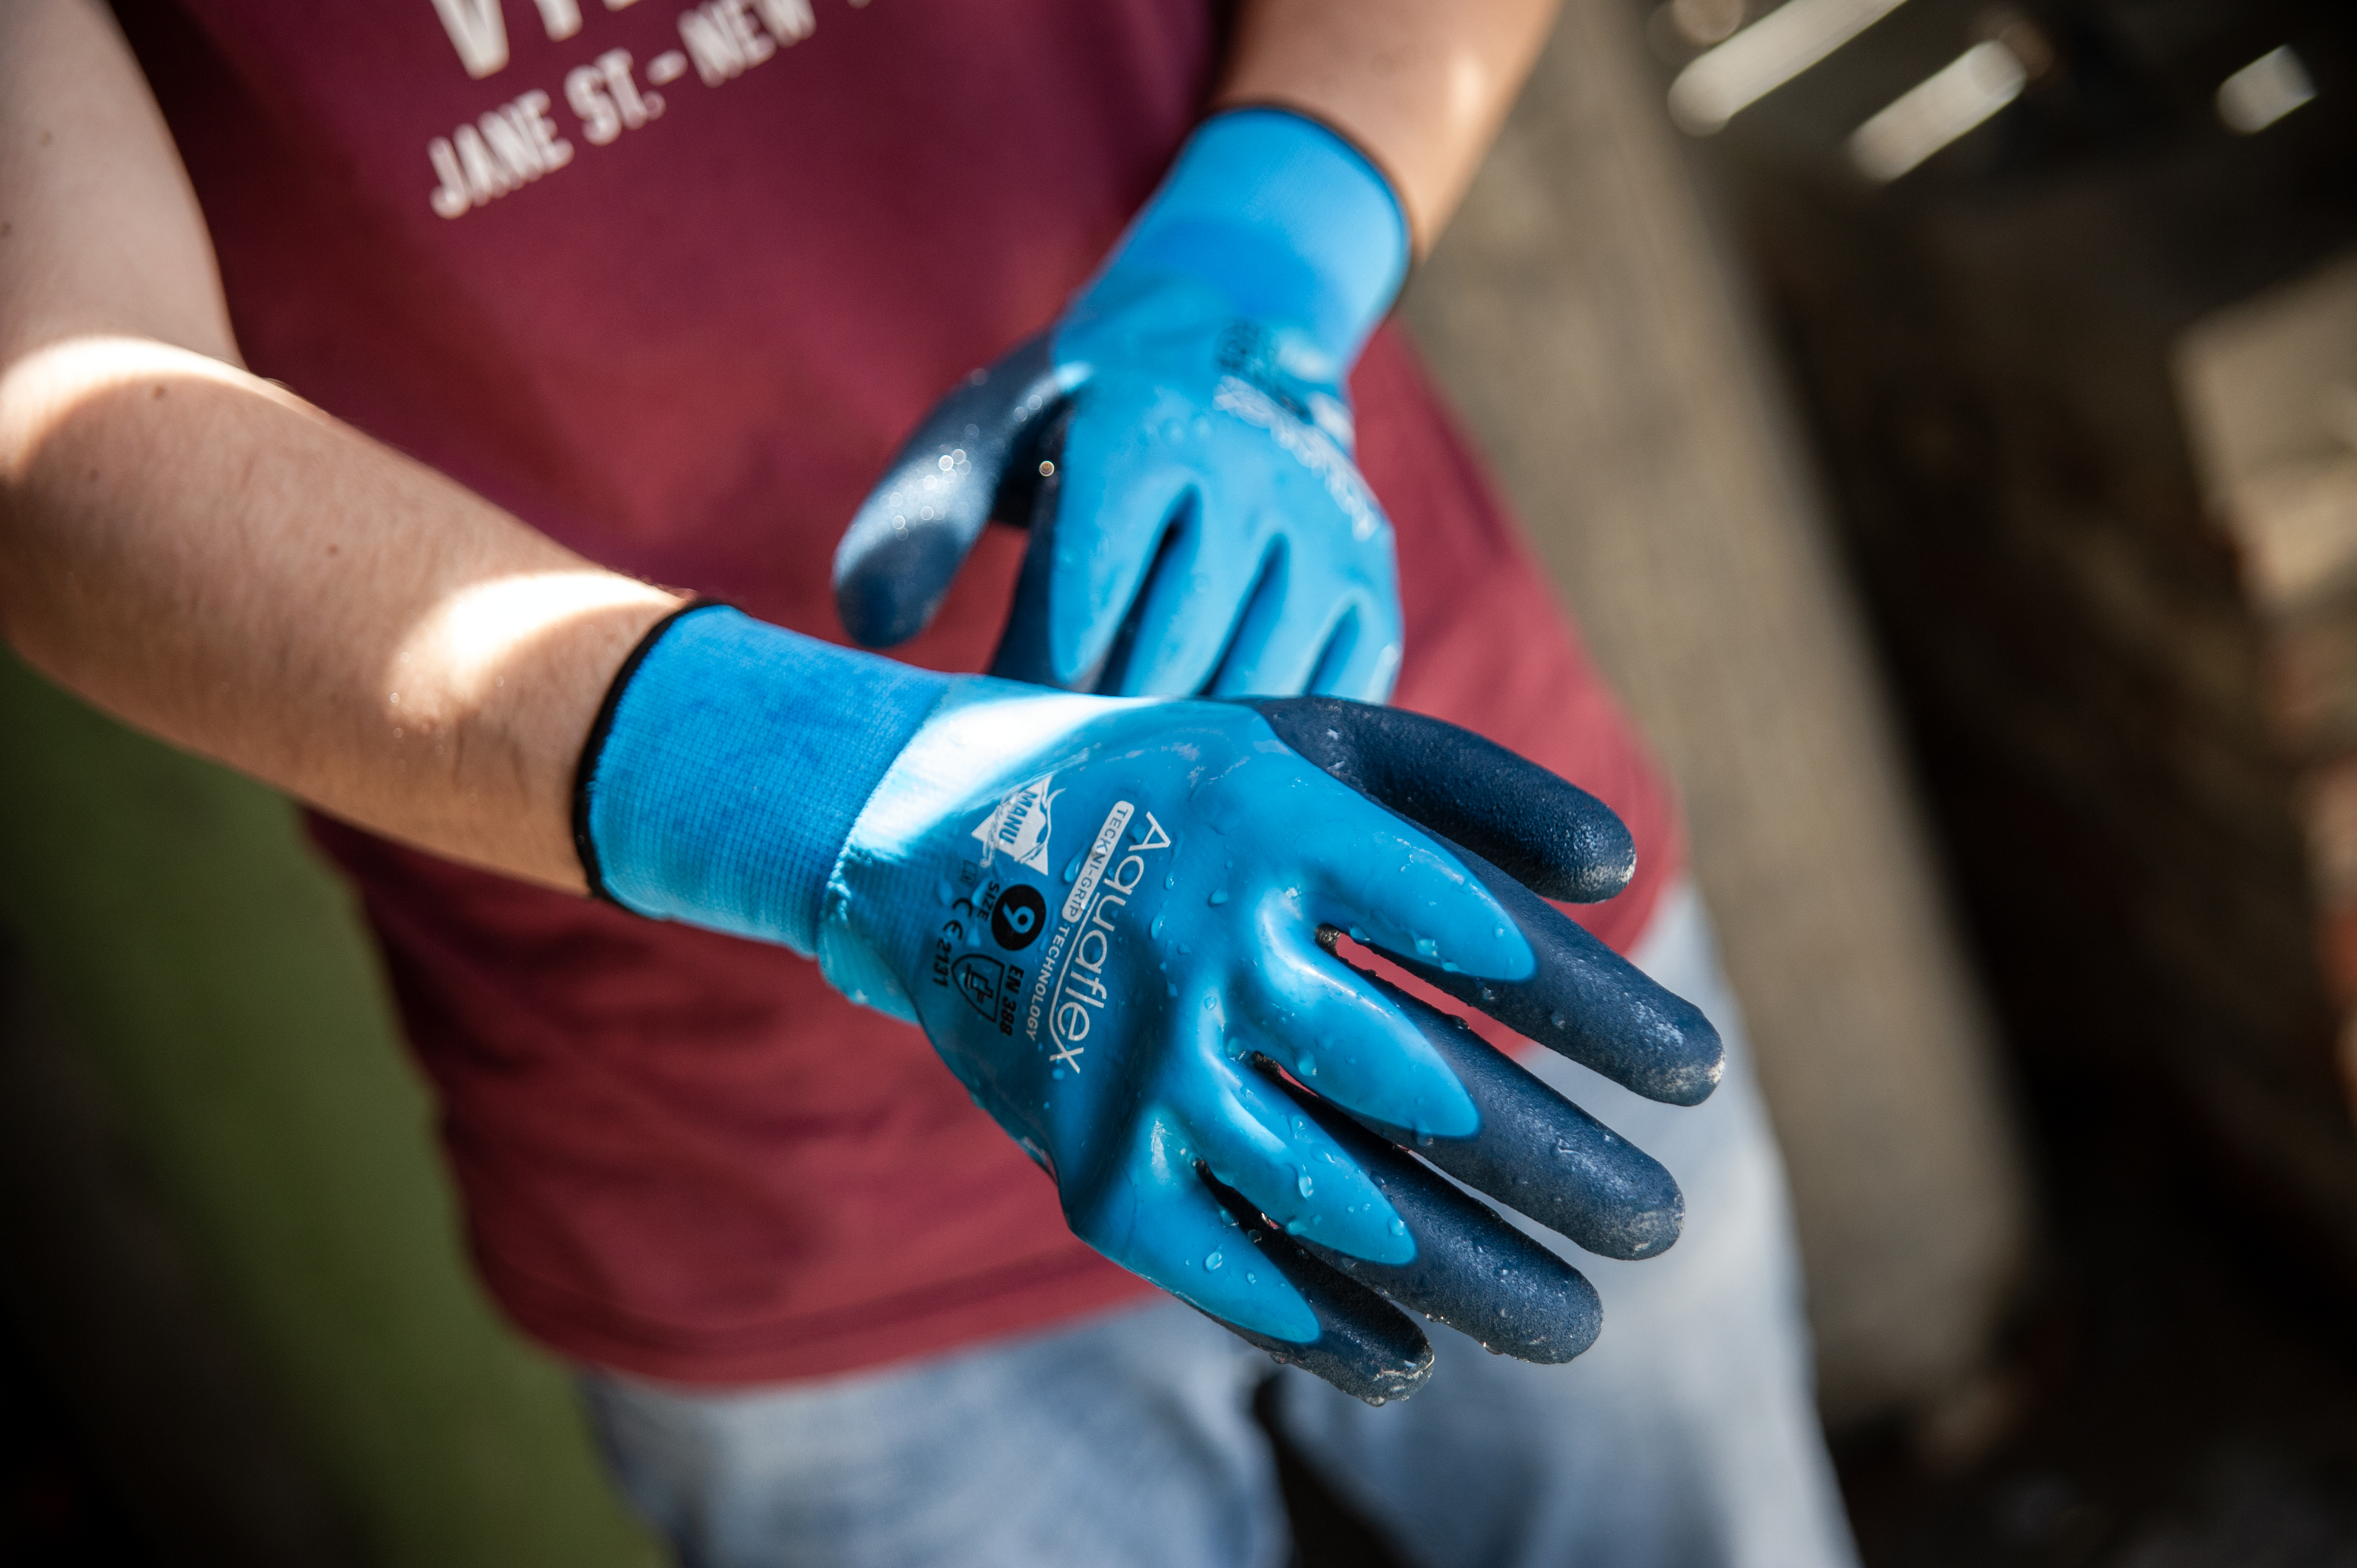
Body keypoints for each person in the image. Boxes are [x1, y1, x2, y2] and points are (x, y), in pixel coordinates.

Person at [0, 0, 1860, 1562]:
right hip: (752, 1175)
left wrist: (1260, 261)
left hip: (1419, 894)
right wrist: (849, 800)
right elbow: (58, 425)